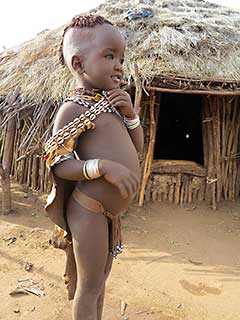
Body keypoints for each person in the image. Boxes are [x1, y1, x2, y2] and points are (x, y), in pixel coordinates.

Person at [44, 14, 144, 320]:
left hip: (109, 215)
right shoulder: (73, 108)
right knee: (88, 287)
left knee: (100, 283)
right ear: (78, 64)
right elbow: (58, 162)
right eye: (110, 56)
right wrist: (101, 167)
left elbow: (136, 148)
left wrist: (130, 115)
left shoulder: (110, 105)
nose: (119, 65)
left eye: (122, 58)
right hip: (88, 210)